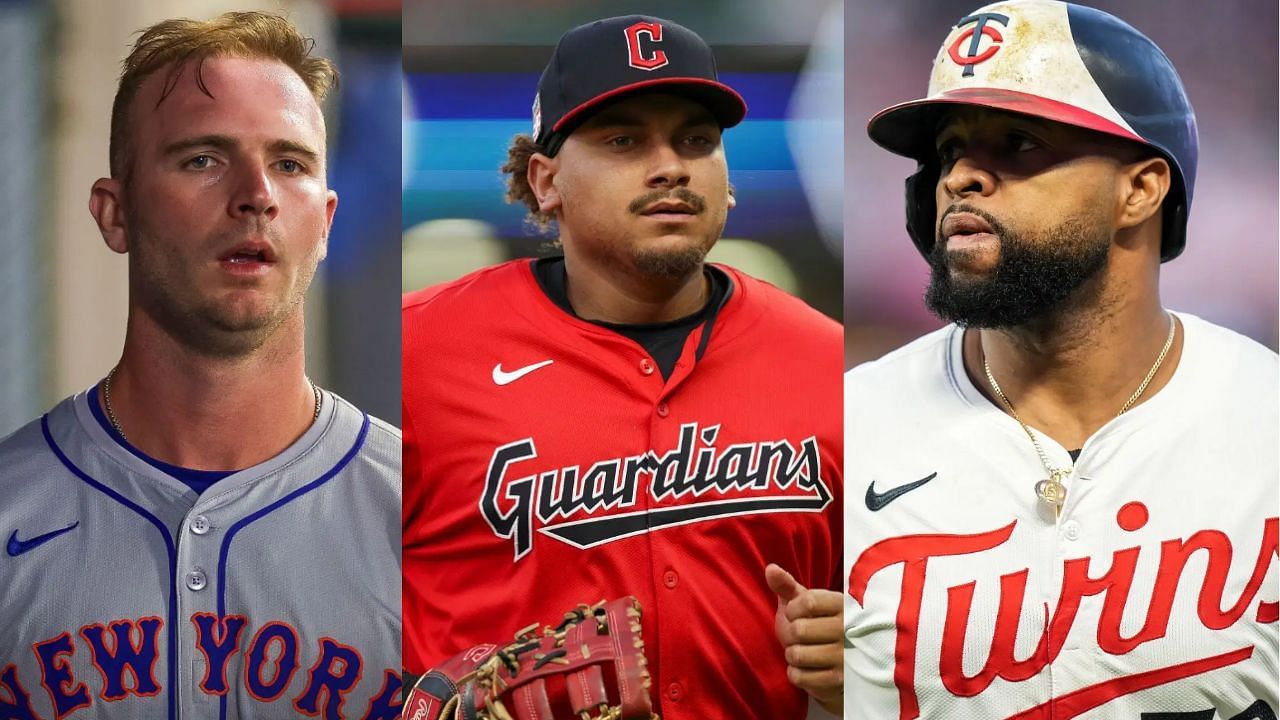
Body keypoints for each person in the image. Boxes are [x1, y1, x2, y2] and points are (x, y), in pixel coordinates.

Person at [844, 1, 1278, 719]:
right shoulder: (845, 430)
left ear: (1139, 189)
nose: (960, 179)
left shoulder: (1266, 423)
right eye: (950, 150)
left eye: (1016, 144)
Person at [402, 15, 843, 719]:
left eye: (696, 140)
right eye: (624, 140)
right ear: (544, 182)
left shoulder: (824, 360)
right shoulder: (418, 352)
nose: (671, 164)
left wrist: (872, 671)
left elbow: (916, 639)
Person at [0, 12, 401, 720]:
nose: (256, 195)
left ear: (327, 220)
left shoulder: (429, 519)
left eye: (289, 163)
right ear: (115, 213)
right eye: (202, 159)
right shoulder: (10, 510)